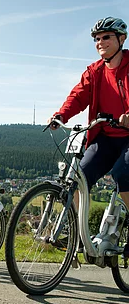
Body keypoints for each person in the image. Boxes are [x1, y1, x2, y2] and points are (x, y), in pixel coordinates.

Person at [48, 16, 129, 211]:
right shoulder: (94, 71)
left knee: (122, 173)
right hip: (105, 137)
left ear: (122, 39)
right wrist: (61, 115)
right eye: (97, 39)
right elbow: (78, 96)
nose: (100, 43)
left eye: (106, 37)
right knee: (78, 178)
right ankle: (79, 234)